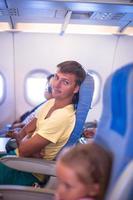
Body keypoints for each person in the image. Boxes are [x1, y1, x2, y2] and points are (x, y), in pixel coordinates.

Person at [0, 60, 86, 185]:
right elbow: (24, 131)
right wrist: (27, 141)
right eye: (56, 77)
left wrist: (26, 141)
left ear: (76, 88)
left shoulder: (62, 117)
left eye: (65, 82)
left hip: (26, 170)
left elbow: (24, 149)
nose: (56, 85)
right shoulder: (51, 102)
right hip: (16, 159)